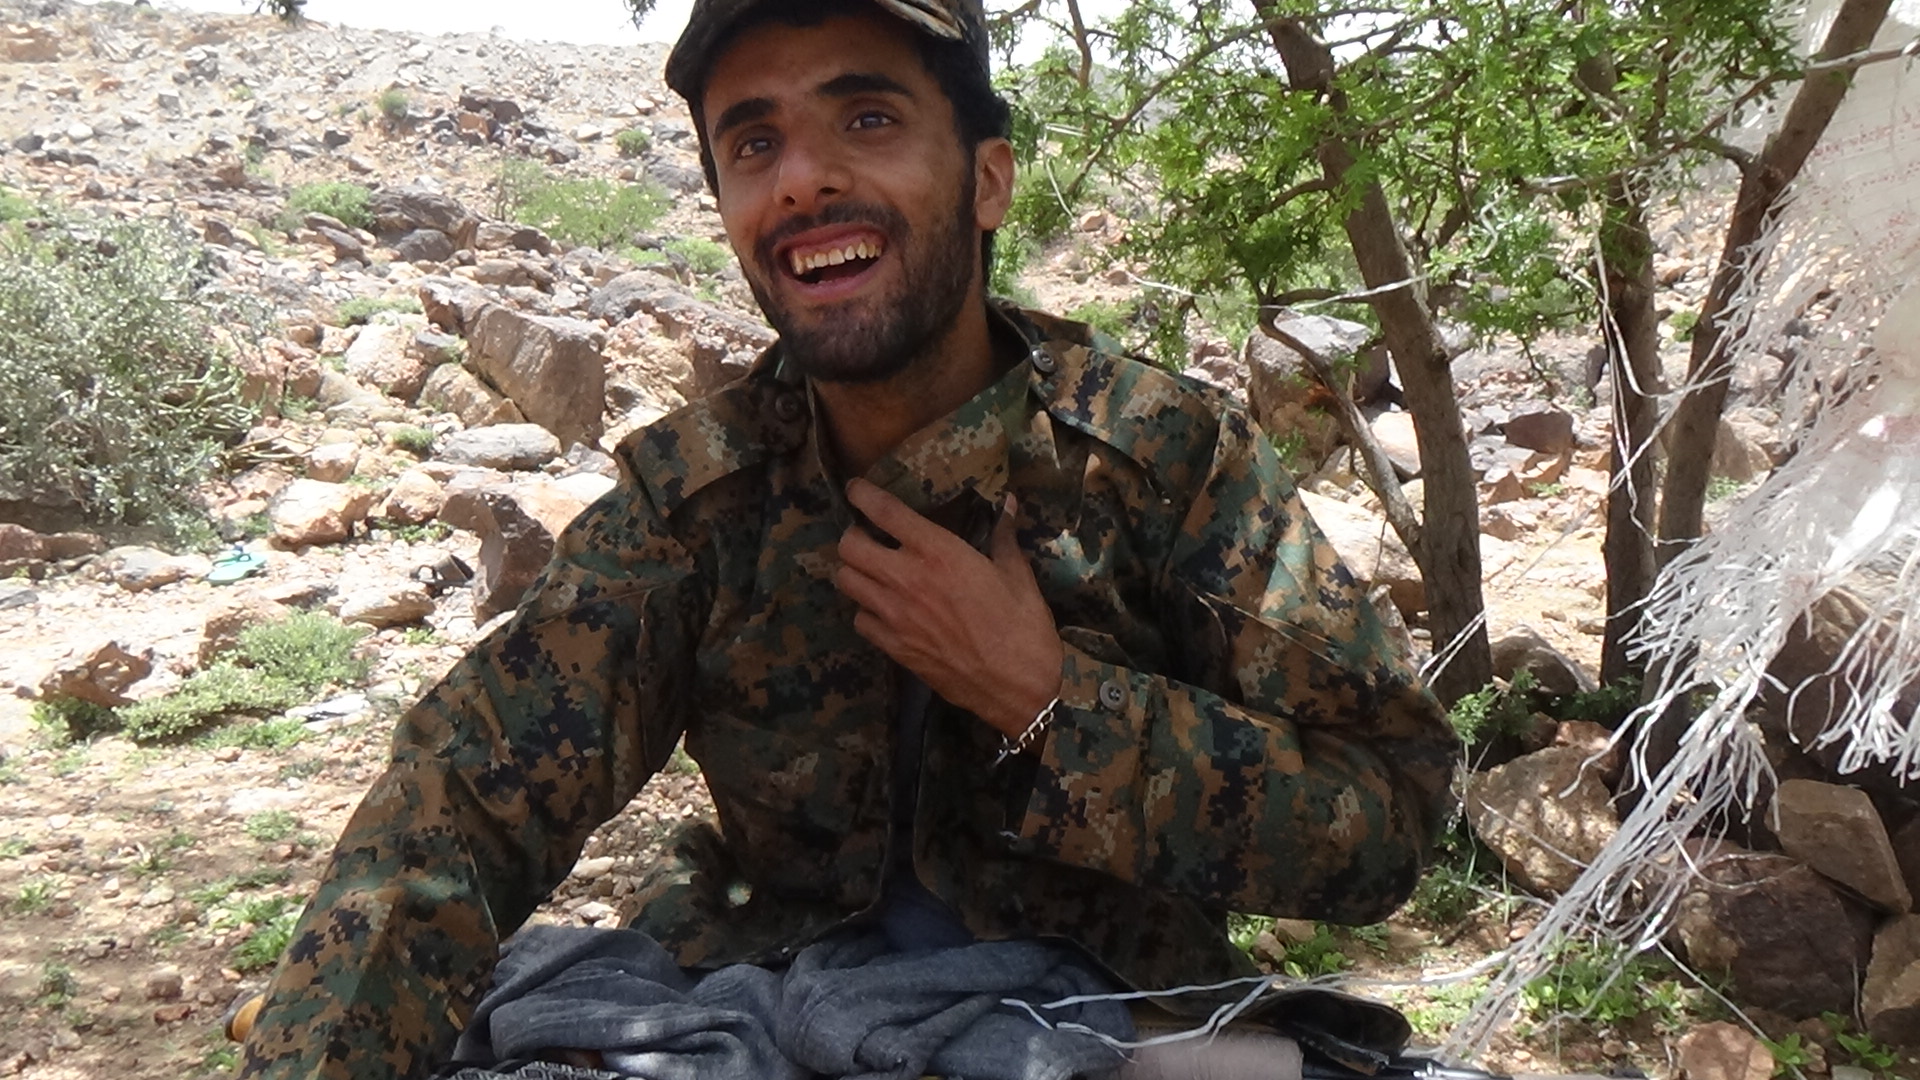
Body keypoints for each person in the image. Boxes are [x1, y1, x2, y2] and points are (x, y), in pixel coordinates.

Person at [236, 2, 1457, 1077]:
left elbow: (1390, 818)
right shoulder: (696, 502)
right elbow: (457, 800)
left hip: (1113, 1029)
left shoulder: (1166, 461)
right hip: (770, 1012)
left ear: (987, 181)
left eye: (866, 119)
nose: (802, 181)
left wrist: (1050, 702)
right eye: (753, 143)